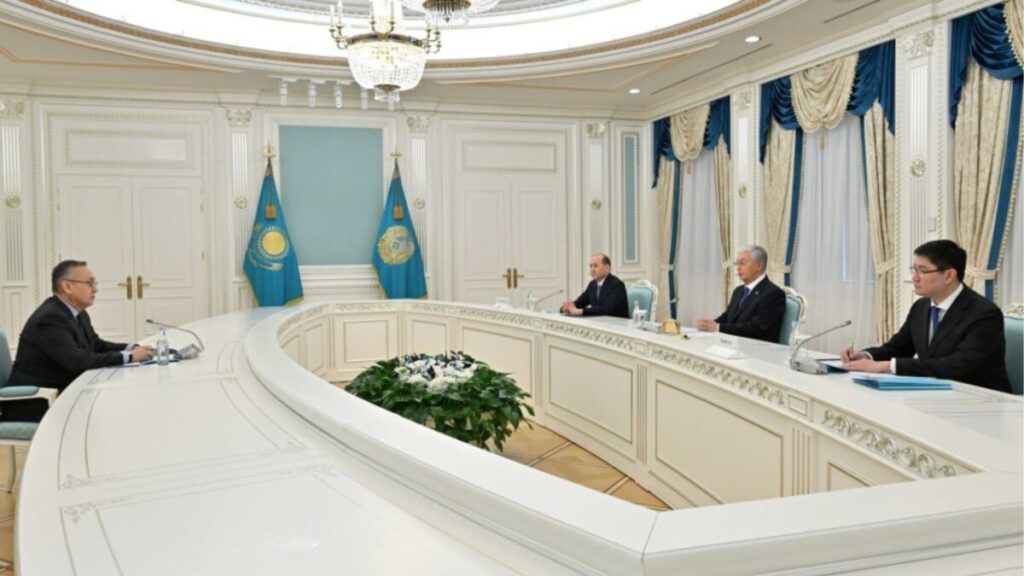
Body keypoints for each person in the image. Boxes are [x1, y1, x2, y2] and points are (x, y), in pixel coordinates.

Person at [841, 240, 1009, 393]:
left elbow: (957, 365)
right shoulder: (921, 307)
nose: (914, 278)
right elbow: (898, 347)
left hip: (979, 398)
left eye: (923, 271)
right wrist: (866, 356)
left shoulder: (984, 313)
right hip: (936, 392)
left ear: (949, 275)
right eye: (914, 269)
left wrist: (886, 366)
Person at [2, 260, 155, 422]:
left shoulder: (76, 312)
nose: (95, 289)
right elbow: (77, 361)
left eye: (95, 283)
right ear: (67, 286)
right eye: (89, 283)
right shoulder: (50, 318)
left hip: (65, 395)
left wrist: (132, 348)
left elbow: (95, 345)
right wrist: (129, 357)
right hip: (38, 405)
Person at [696, 245, 786, 343]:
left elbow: (756, 328)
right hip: (733, 344)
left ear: (759, 266)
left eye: (743, 263)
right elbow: (727, 317)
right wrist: (708, 325)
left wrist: (718, 327)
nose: (738, 268)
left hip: (757, 348)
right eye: (737, 263)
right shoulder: (738, 291)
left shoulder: (773, 294)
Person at [561, 253, 629, 318]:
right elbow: (581, 302)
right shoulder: (592, 285)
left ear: (607, 268)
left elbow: (607, 309)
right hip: (598, 323)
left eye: (596, 266)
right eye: (590, 266)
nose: (592, 270)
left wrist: (581, 311)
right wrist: (568, 307)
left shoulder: (617, 285)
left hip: (616, 324)